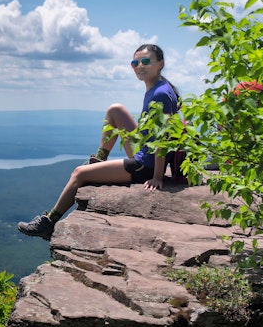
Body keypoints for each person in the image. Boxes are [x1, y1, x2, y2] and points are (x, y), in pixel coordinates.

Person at [17, 44, 180, 240]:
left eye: (146, 61)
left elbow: (163, 138)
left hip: (145, 164)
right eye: (135, 62)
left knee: (79, 174)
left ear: (160, 64)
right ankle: (100, 159)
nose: (139, 66)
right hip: (145, 151)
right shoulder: (158, 87)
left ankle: (49, 222)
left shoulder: (160, 93)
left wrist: (157, 176)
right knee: (115, 110)